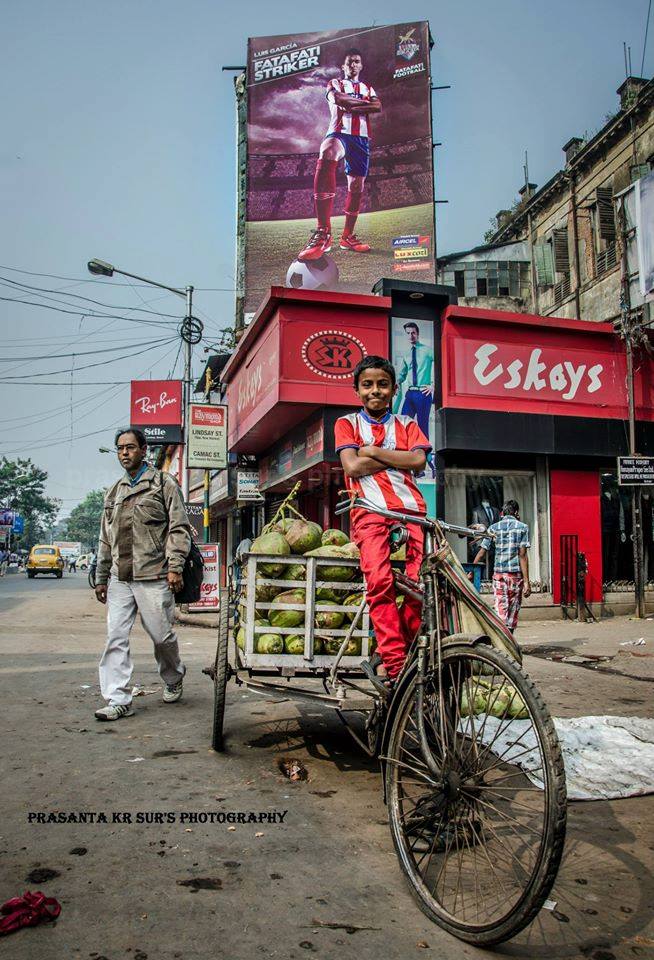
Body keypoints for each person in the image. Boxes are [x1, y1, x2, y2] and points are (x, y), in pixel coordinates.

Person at [335, 355, 431, 692]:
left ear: (393, 389)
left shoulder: (407, 423)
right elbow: (352, 468)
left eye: (382, 384)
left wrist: (373, 452)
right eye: (368, 384)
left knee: (420, 590)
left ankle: (395, 648)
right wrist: (396, 460)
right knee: (379, 583)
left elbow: (418, 460)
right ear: (357, 390)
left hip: (412, 512)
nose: (375, 390)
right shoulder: (345, 423)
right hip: (369, 511)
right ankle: (395, 663)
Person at [94, 428, 192, 721]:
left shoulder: (163, 484)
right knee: (115, 637)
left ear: (144, 449)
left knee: (162, 637)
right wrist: (101, 576)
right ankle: (117, 698)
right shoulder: (114, 492)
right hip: (120, 578)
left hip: (154, 576)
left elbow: (178, 527)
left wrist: (175, 566)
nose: (125, 453)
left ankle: (174, 677)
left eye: (130, 447)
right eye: (120, 448)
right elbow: (105, 538)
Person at [297, 48, 382, 263]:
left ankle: (347, 237)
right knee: (327, 151)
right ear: (343, 67)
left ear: (361, 65)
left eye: (357, 61)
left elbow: (378, 106)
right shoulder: (334, 83)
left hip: (361, 140)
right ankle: (323, 233)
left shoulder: (367, 87)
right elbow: (341, 100)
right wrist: (364, 105)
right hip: (339, 132)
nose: (353, 64)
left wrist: (355, 104)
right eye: (349, 62)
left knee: (356, 186)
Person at [473, 500, 531, 633]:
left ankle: (502, 644)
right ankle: (509, 641)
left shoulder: (494, 528)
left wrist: (472, 570)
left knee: (501, 610)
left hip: (499, 575)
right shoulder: (523, 527)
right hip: (515, 576)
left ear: (502, 513)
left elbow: (482, 551)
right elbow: (522, 555)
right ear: (516, 512)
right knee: (512, 612)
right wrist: (527, 582)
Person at [393, 322, 434, 439]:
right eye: (408, 333)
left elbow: (441, 366)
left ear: (418, 334)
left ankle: (426, 455)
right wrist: (397, 382)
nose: (411, 336)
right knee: (403, 422)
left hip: (423, 393)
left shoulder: (428, 351)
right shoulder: (407, 354)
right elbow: (402, 373)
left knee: (422, 426)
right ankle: (405, 451)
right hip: (410, 393)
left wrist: (433, 384)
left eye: (413, 333)